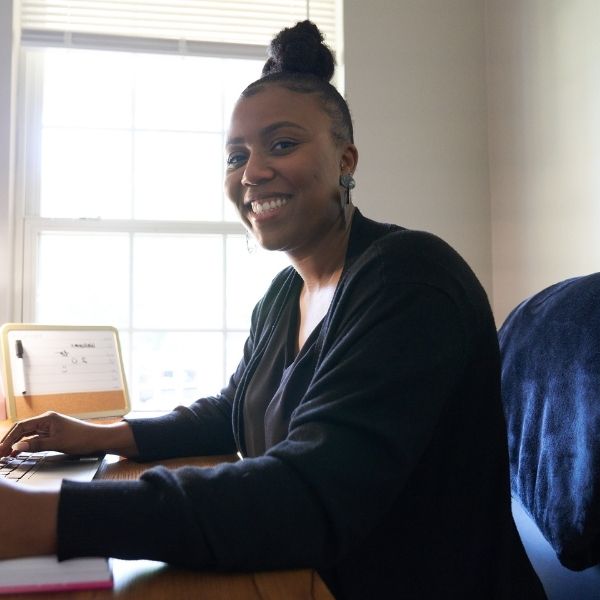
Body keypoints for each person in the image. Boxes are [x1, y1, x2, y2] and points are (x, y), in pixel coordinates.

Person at [0, 20, 545, 600]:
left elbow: (309, 494)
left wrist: (40, 517)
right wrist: (100, 434)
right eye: (236, 155)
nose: (252, 173)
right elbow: (234, 409)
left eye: (282, 145)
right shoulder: (284, 296)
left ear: (345, 159)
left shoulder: (409, 279)